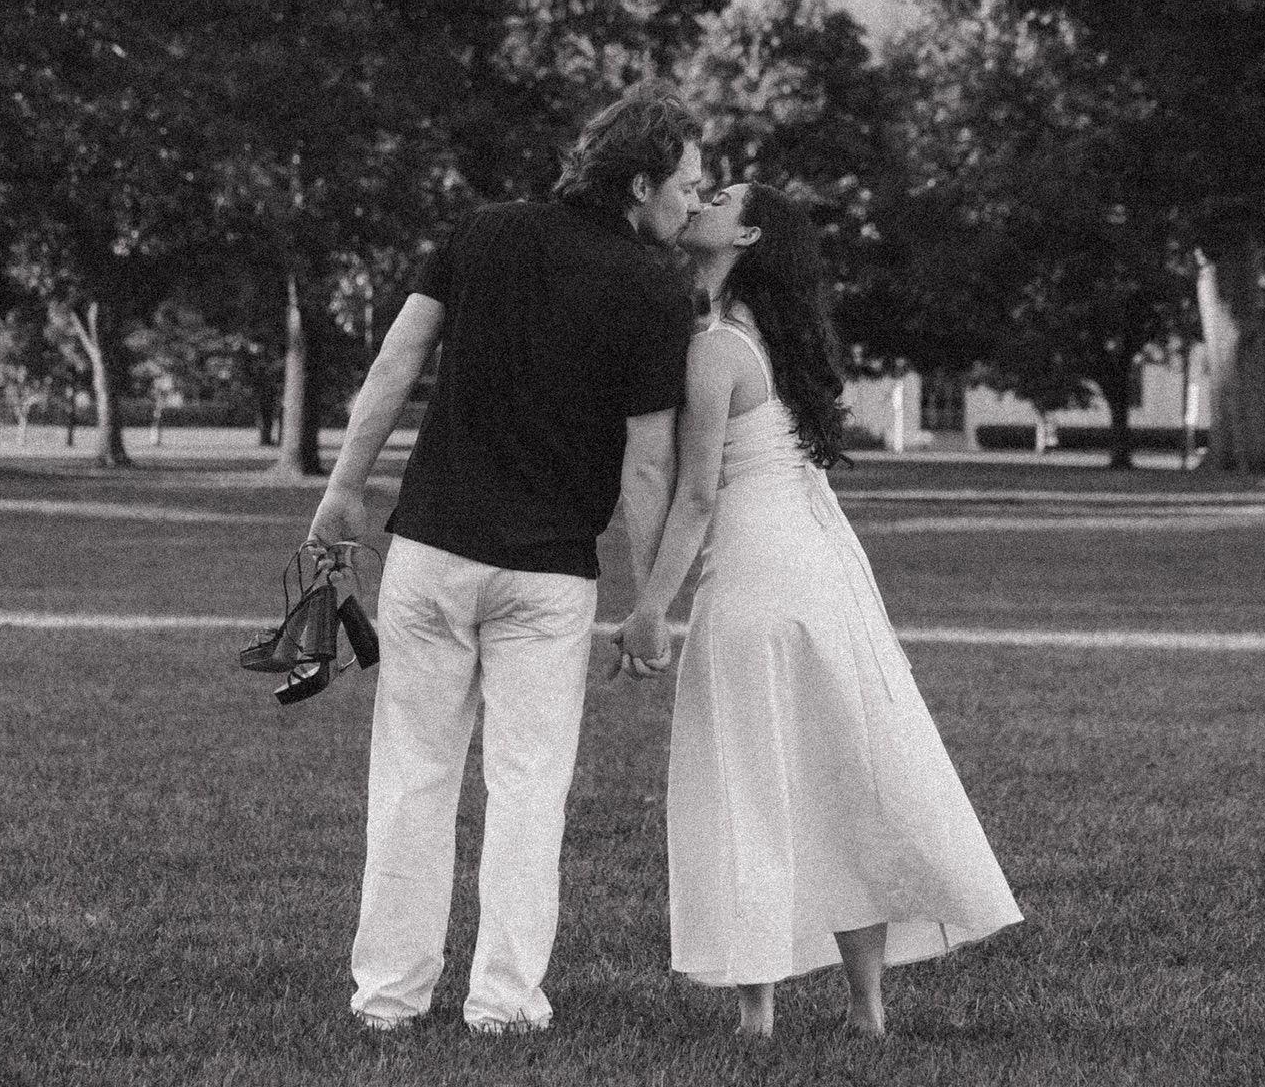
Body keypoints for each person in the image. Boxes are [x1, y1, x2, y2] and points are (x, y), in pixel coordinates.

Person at [307, 81, 703, 1034]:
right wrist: (649, 601)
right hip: (547, 575)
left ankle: (388, 998)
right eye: (688, 184)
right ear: (640, 183)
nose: (695, 202)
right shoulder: (656, 289)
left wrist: (344, 488)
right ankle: (505, 1003)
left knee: (412, 776)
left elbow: (395, 364)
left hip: (432, 549)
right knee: (529, 788)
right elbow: (648, 465)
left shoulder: (482, 232)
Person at [614, 182, 1022, 1038]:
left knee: (750, 782)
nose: (702, 200)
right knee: (840, 782)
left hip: (756, 580)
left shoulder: (716, 348)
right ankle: (865, 1005)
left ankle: (757, 1014)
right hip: (826, 575)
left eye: (721, 198)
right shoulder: (785, 342)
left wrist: (651, 607)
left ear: (748, 236)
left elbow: (696, 496)